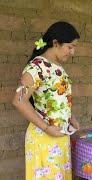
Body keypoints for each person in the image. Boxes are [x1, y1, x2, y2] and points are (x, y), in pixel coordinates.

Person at [12, 21, 80, 180]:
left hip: (59, 136)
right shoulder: (36, 68)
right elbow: (18, 100)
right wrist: (46, 127)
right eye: (70, 47)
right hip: (44, 138)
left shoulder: (57, 67)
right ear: (56, 43)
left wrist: (70, 117)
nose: (72, 52)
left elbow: (59, 98)